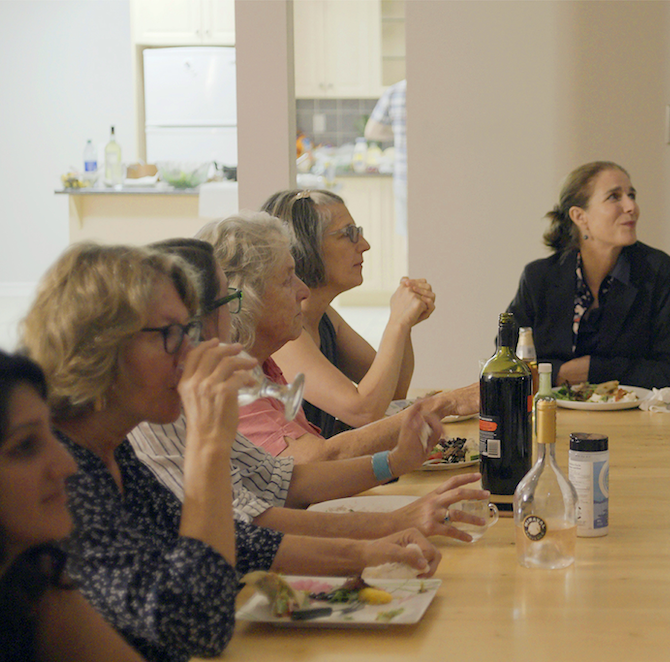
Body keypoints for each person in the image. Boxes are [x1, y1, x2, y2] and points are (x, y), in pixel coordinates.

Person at [18, 243, 441, 662]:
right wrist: (208, 443)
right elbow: (198, 623)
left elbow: (236, 543)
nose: (191, 353)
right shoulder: (59, 473)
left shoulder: (110, 448)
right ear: (99, 347)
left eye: (191, 329)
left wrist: (368, 553)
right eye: (171, 335)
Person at [131, 237, 489, 543]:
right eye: (288, 278)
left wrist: (394, 462)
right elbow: (246, 530)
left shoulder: (244, 369)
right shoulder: (177, 407)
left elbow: (279, 480)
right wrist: (390, 524)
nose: (303, 290)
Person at [0, 347, 172, 662]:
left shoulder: (32, 573)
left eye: (51, 433)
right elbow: (192, 616)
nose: (67, 464)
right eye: (25, 446)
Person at [196, 213, 476, 462]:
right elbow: (324, 454)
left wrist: (394, 464)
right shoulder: (228, 380)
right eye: (348, 233)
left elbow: (393, 393)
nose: (302, 290)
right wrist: (442, 405)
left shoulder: (263, 362)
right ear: (247, 297)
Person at [261, 189, 439, 438]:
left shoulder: (324, 316)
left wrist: (405, 323)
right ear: (305, 245)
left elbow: (392, 393)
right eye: (349, 234)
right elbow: (363, 411)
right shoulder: (284, 335)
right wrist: (396, 324)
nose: (364, 246)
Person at [505, 161, 670, 389]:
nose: (631, 206)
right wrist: (560, 373)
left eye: (631, 195)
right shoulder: (539, 277)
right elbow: (506, 363)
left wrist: (594, 370)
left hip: (633, 418)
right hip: (552, 414)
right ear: (579, 216)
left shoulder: (659, 271)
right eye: (614, 197)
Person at [365, 78, 407, 241]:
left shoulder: (395, 91)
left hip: (405, 177)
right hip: (438, 178)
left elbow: (372, 131)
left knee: (409, 238)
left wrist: (398, 132)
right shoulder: (440, 89)